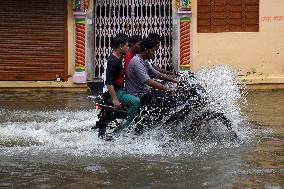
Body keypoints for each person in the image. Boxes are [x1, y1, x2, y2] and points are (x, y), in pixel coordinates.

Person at [125, 38, 179, 112]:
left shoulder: (144, 60)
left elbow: (157, 73)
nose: (154, 53)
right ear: (146, 50)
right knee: (170, 101)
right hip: (139, 95)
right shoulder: (137, 62)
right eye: (153, 51)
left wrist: (175, 81)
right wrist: (169, 89)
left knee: (169, 96)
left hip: (145, 92)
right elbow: (149, 81)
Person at [104, 33, 140, 129]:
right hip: (117, 93)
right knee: (136, 101)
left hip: (121, 89)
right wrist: (115, 100)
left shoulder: (120, 58)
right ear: (120, 46)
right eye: (127, 46)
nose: (128, 48)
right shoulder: (113, 61)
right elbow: (109, 82)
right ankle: (127, 127)